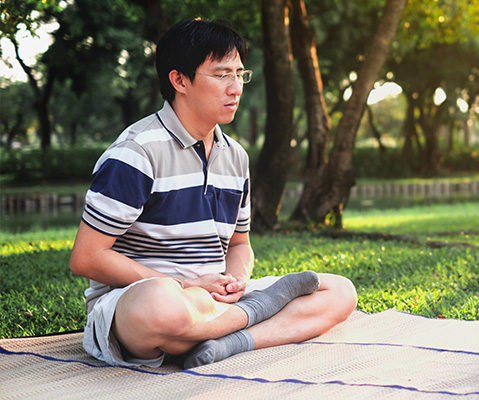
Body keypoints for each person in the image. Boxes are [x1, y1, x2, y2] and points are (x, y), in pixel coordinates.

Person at [70, 18, 357, 369]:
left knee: (340, 292)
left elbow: (239, 244)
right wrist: (188, 284)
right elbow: (86, 258)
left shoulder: (236, 156)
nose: (236, 88)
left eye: (240, 74)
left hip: (217, 300)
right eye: (222, 75)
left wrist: (236, 282)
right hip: (142, 300)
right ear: (180, 80)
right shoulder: (137, 153)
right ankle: (254, 314)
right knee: (162, 306)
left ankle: (228, 341)